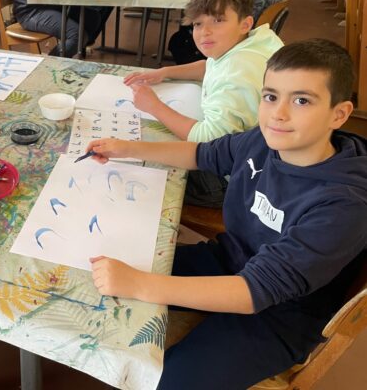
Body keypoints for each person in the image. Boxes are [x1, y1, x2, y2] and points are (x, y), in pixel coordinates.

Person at [88, 38, 367, 390]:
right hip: (230, 259)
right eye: (270, 96)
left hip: (282, 314)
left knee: (169, 381)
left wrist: (140, 284)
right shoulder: (262, 140)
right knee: (99, 276)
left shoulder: (344, 203)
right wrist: (128, 148)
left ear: (339, 114)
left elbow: (255, 291)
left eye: (301, 100)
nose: (278, 114)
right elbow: (202, 153)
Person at [125, 0, 283, 207]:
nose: (204, 32)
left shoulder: (236, 74)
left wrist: (154, 107)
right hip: (265, 159)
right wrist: (165, 72)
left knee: (146, 166)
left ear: (245, 24)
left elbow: (208, 144)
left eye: (218, 20)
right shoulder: (254, 41)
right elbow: (211, 65)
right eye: (198, 24)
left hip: (235, 180)